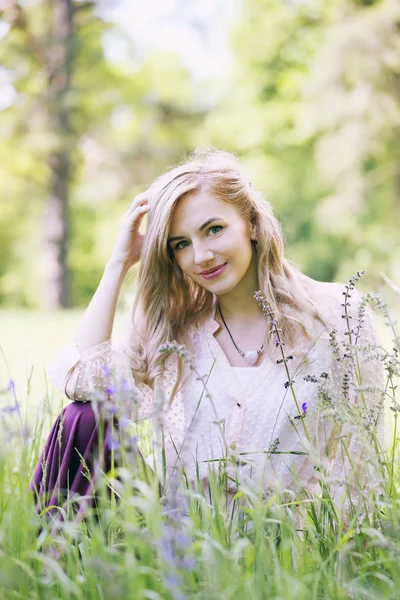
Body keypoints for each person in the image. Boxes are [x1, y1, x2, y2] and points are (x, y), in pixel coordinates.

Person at [30, 148, 385, 521]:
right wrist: (118, 263)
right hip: (179, 549)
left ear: (250, 222)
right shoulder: (177, 328)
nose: (201, 256)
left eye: (213, 230)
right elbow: (81, 382)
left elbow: (361, 465)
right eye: (181, 244)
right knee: (80, 419)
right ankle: (55, 574)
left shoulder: (338, 316)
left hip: (287, 552)